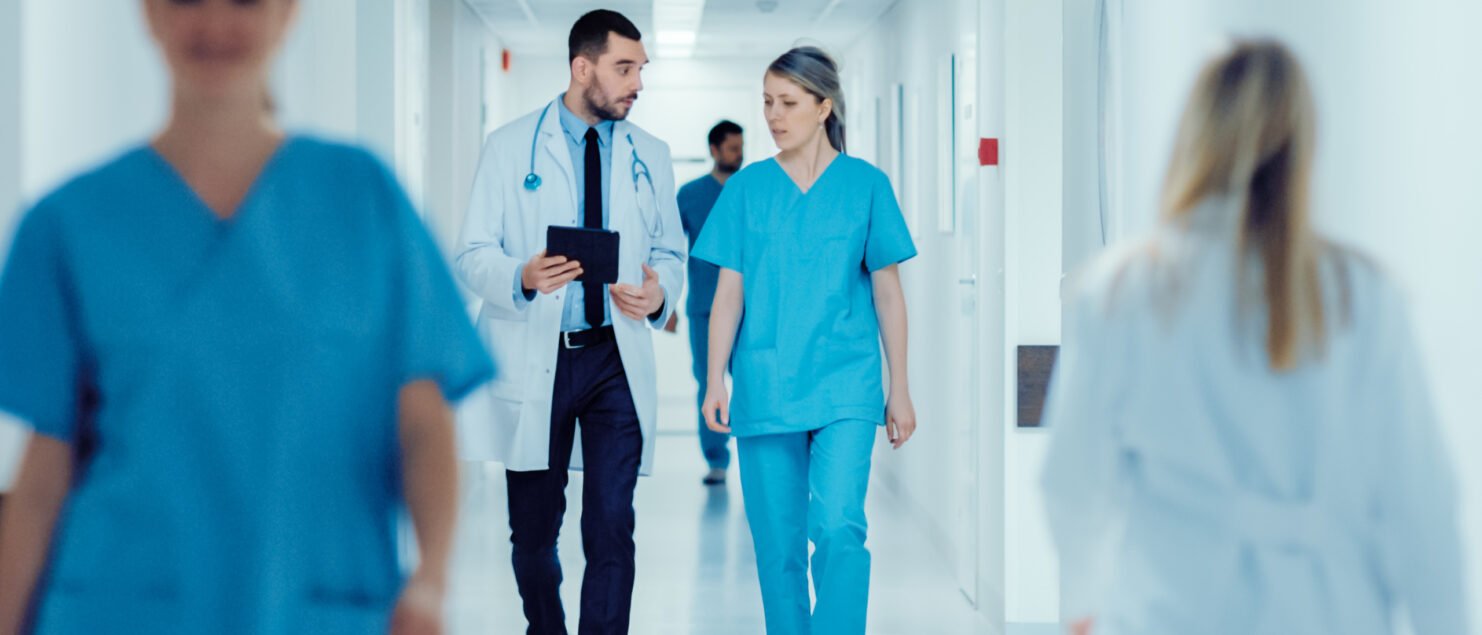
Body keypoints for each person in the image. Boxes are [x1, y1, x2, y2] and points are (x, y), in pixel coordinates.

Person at [0, 1, 493, 633]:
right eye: (186, 0)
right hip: (122, 605)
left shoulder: (361, 199)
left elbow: (423, 418)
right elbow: (47, 464)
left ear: (287, 13)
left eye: (244, 1)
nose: (214, 25)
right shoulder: (70, 222)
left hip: (316, 602)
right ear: (149, 13)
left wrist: (431, 581)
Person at [1039, 40, 1469, 635]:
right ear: (1305, 145)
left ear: (1194, 140)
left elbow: (1071, 481)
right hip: (1333, 613)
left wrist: (1083, 602)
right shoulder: (1362, 297)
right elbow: (1422, 507)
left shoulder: (1123, 292)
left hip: (1170, 611)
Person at [453, 9, 684, 635]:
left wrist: (659, 293)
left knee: (612, 523)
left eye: (641, 68)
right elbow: (472, 254)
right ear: (583, 68)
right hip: (537, 353)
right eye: (625, 68)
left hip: (614, 357)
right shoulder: (508, 148)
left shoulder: (650, 154)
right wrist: (521, 277)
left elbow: (670, 250)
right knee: (532, 532)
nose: (639, 82)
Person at [693, 47, 918, 635]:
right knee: (779, 547)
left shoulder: (867, 185)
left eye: (787, 102)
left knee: (841, 527)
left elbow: (889, 294)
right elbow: (728, 295)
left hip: (847, 382)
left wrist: (901, 388)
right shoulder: (745, 190)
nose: (772, 115)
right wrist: (715, 378)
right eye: (767, 102)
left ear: (823, 108)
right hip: (766, 386)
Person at [678, 120, 744, 485]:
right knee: (710, 382)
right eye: (733, 148)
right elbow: (669, 252)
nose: (739, 154)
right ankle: (716, 459)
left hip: (750, 310)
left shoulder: (752, 190)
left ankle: (756, 453)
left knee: (750, 380)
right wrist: (667, 303)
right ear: (715, 150)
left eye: (741, 147)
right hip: (704, 307)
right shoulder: (689, 195)